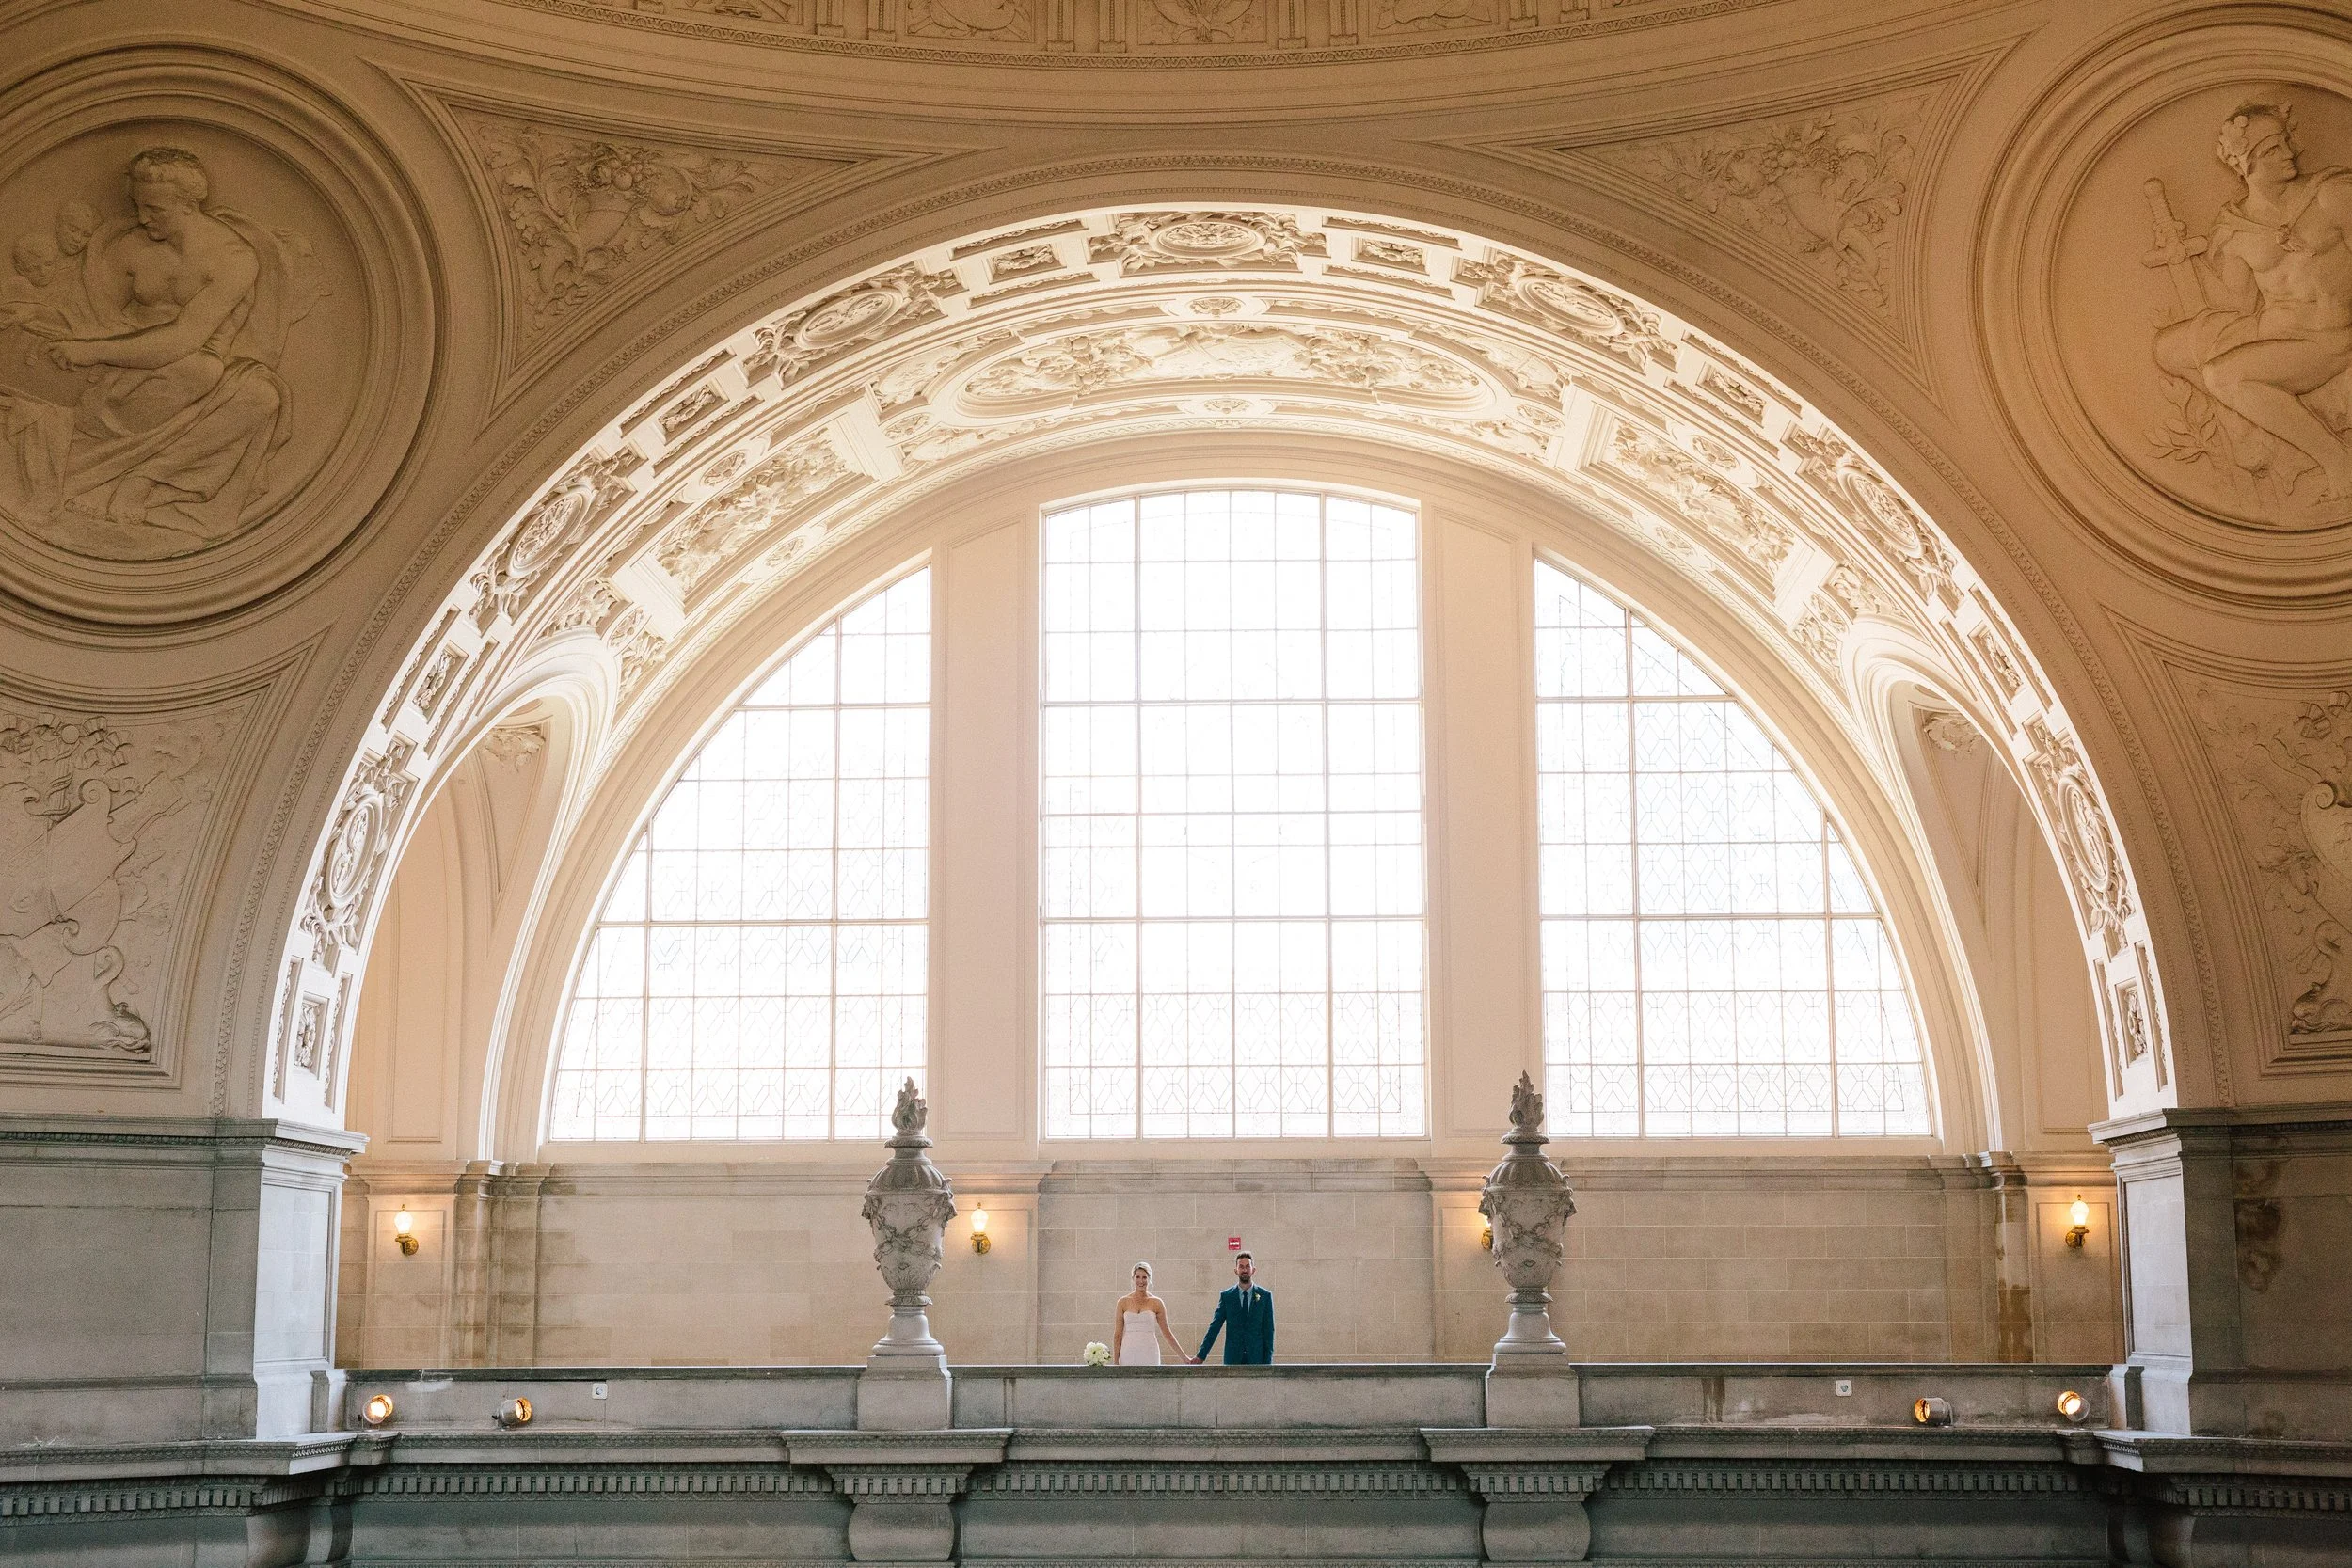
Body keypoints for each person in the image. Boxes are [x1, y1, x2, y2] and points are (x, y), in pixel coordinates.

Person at [2152, 102, 2352, 498]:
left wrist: (2311, 256)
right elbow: (2242, 304)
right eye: (2272, 150)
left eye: (2285, 143)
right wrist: (2193, 252)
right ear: (2245, 164)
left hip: (2327, 335)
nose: (2288, 154)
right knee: (2168, 348)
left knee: (2223, 375)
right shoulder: (2233, 228)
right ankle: (2260, 434)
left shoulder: (2330, 196)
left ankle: (2337, 461)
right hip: (2273, 328)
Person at [1195, 1250, 1275, 1366]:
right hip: (1233, 1358)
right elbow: (1214, 1327)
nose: (1244, 1270)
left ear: (1253, 1270)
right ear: (1236, 1271)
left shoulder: (1265, 1296)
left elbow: (1269, 1331)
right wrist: (1201, 1356)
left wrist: (1268, 1363)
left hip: (1257, 1359)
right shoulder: (1227, 1296)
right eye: (1241, 1267)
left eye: (1248, 1266)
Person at [1111, 1261, 1191, 1366]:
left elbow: (1167, 1333)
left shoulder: (1157, 1302)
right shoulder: (1123, 1302)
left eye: (1144, 1277)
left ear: (1149, 1279)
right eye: (1138, 1277)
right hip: (1128, 1351)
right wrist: (1116, 1362)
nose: (1141, 1281)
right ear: (1133, 1279)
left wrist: (1185, 1359)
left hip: (1150, 1350)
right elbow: (1117, 1334)